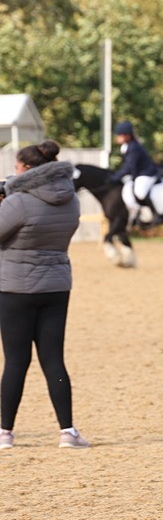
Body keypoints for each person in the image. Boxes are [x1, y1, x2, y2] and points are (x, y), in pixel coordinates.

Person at [0, 141, 87, 449]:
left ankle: (5, 433)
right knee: (53, 360)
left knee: (15, 361)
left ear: (26, 169)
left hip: (14, 286)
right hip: (56, 284)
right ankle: (68, 431)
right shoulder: (71, 199)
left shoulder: (19, 201)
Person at [111, 120, 163, 226]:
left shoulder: (134, 147)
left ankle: (156, 214)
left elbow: (129, 167)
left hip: (147, 173)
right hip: (138, 173)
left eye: (120, 135)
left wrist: (116, 177)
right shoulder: (126, 146)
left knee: (140, 192)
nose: (117, 137)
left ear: (127, 136)